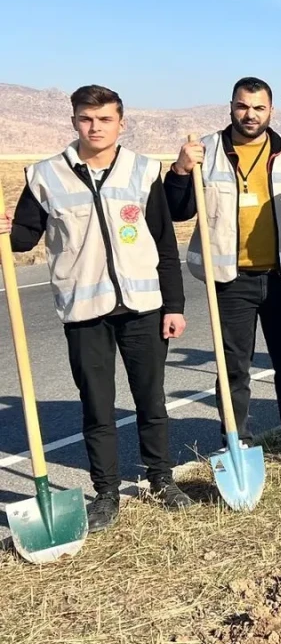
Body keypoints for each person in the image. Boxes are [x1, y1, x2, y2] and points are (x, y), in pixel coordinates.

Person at [1, 85, 194, 531]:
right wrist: (5, 229)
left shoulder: (144, 171)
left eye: (105, 119)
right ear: (73, 121)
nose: (95, 127)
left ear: (121, 123)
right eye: (87, 119)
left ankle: (160, 478)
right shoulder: (45, 176)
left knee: (151, 400)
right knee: (97, 406)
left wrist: (175, 305)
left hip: (143, 306)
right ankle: (106, 493)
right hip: (84, 311)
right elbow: (23, 238)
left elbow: (165, 245)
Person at [166, 77, 281, 462]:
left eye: (258, 108)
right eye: (243, 106)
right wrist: (178, 170)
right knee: (233, 367)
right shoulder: (205, 151)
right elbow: (178, 211)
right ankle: (236, 442)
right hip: (230, 279)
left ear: (270, 110)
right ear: (231, 106)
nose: (250, 114)